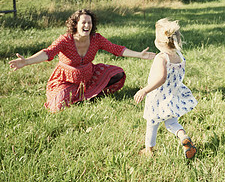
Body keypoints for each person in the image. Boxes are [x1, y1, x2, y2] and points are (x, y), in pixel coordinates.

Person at [9, 9, 155, 112]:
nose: (87, 25)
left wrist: (139, 55)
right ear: (76, 24)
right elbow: (48, 53)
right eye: (83, 22)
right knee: (56, 107)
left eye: (89, 22)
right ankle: (84, 96)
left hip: (88, 76)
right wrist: (27, 61)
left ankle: (88, 94)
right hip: (66, 80)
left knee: (118, 74)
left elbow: (116, 49)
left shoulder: (96, 39)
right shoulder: (66, 39)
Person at [134, 18, 198, 159]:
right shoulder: (179, 56)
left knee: (152, 123)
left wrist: (144, 90)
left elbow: (161, 78)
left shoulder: (161, 58)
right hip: (173, 95)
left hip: (157, 97)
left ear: (158, 41)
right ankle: (183, 137)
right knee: (172, 122)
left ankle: (148, 150)